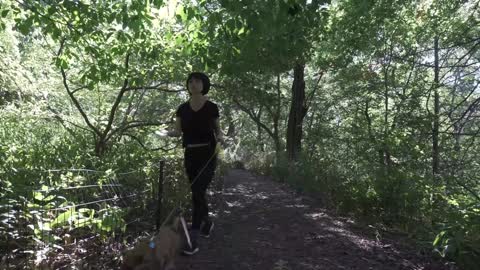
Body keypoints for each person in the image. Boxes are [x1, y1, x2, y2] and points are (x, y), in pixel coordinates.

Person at [167, 72, 223, 255]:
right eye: (190, 81)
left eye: (197, 81)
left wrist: (222, 139)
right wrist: (166, 134)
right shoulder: (182, 109)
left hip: (208, 153)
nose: (193, 84)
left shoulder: (212, 107)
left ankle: (193, 238)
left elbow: (218, 131)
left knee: (198, 190)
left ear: (204, 84)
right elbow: (177, 132)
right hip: (190, 153)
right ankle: (207, 221)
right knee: (196, 192)